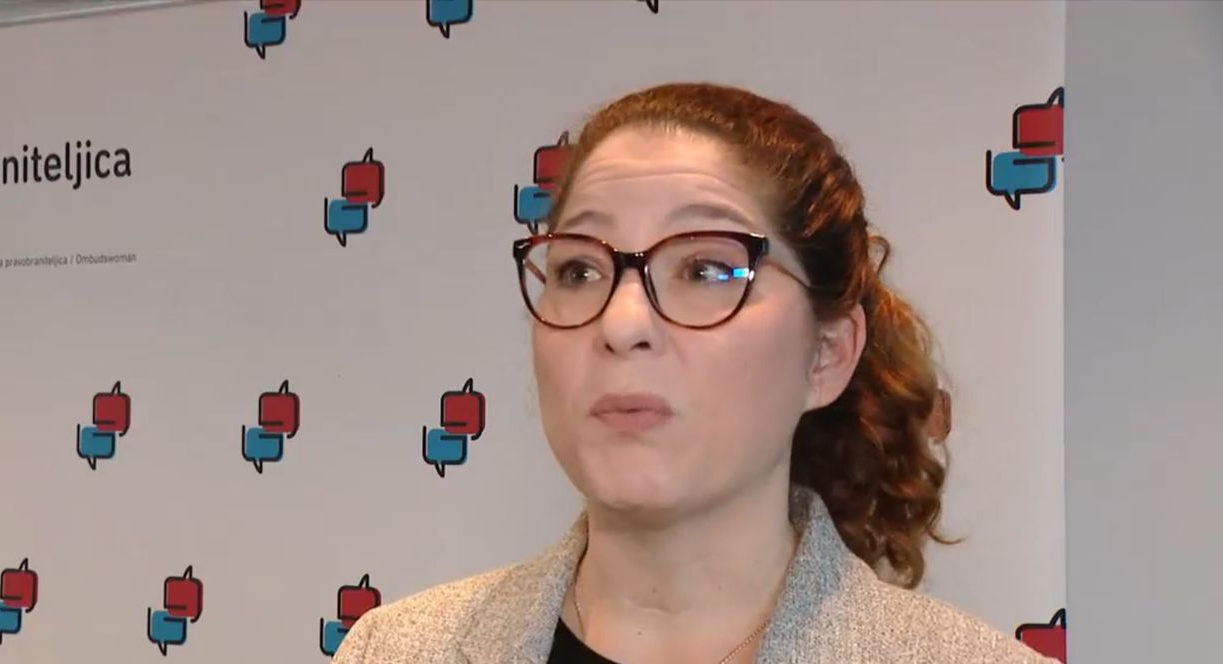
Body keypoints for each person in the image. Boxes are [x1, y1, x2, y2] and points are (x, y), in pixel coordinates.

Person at [331, 82, 1055, 663]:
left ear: (827, 354)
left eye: (706, 269)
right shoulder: (396, 651)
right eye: (579, 269)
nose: (622, 324)